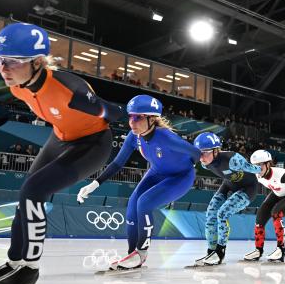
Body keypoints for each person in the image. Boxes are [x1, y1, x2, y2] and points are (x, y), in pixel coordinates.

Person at [0, 23, 123, 284]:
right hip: (61, 137)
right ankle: (14, 261)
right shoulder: (17, 85)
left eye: (14, 61)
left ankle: (29, 269)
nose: (4, 68)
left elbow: (115, 114)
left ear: (38, 62)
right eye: (0, 60)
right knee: (25, 194)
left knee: (34, 191)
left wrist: (100, 107)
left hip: (93, 143)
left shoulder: (70, 90)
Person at [77, 94, 201, 270]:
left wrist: (190, 165)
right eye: (130, 117)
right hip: (156, 172)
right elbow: (118, 163)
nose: (132, 122)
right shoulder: (133, 136)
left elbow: (195, 153)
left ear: (152, 119)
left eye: (137, 117)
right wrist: (94, 184)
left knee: (144, 203)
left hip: (180, 177)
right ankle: (132, 255)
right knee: (132, 205)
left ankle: (141, 254)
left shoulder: (166, 137)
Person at [192, 132, 261, 266]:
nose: (201, 157)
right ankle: (211, 251)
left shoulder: (232, 159)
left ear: (216, 151)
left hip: (248, 188)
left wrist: (266, 169)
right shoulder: (205, 163)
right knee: (211, 213)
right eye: (199, 152)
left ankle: (220, 252)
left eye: (205, 152)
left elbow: (256, 169)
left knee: (222, 214)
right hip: (228, 184)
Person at [243, 150, 285, 263]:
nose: (257, 169)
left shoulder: (282, 175)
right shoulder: (257, 176)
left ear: (268, 164)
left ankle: (281, 250)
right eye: (254, 166)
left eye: (260, 165)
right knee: (260, 217)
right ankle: (258, 250)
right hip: (277, 193)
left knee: (276, 213)